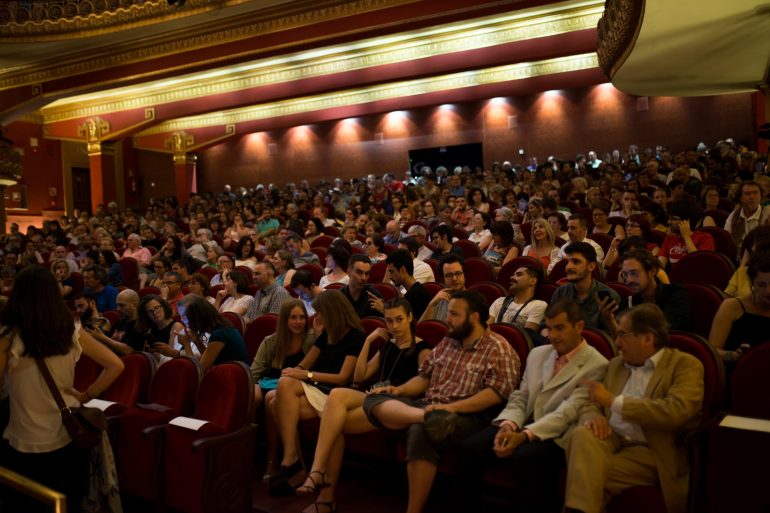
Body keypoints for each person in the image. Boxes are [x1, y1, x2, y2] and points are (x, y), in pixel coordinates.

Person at [363, 290, 520, 513]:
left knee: (420, 429)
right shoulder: (449, 341)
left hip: (466, 416)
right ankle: (425, 416)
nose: (447, 319)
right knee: (374, 398)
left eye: (454, 314)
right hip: (429, 407)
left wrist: (449, 408)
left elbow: (496, 394)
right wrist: (399, 390)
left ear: (473, 316)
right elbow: (424, 377)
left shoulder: (498, 347)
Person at [455, 299, 608, 513]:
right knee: (470, 448)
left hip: (558, 435)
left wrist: (525, 435)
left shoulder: (597, 364)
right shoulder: (538, 354)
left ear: (579, 326)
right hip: (523, 421)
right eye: (549, 328)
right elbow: (521, 396)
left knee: (526, 457)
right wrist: (508, 425)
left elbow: (568, 412)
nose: (553, 335)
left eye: (560, 328)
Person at [0, 266, 124, 513]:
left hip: (25, 438)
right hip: (68, 433)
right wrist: (86, 394)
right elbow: (116, 365)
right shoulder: (71, 329)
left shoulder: (9, 336)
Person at [563, 304, 704, 513]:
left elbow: (676, 411)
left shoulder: (685, 365)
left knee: (584, 473)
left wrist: (613, 402)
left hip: (651, 449)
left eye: (622, 335)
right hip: (610, 438)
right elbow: (591, 402)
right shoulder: (616, 364)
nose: (617, 343)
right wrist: (592, 416)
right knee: (582, 433)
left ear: (648, 338)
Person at [295, 299, 432, 513]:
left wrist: (394, 390)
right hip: (374, 395)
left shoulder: (422, 347)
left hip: (399, 402)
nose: (394, 326)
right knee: (338, 397)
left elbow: (422, 386)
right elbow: (360, 377)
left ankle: (324, 494)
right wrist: (369, 341)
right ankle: (319, 476)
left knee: (333, 425)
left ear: (410, 318)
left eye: (399, 320)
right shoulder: (389, 344)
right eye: (389, 321)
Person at [268, 291, 365, 492]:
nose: (317, 317)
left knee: (276, 404)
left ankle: (293, 462)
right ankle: (292, 458)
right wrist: (297, 372)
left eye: (321, 313)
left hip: (336, 392)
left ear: (333, 312)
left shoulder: (355, 335)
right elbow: (304, 366)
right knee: (283, 386)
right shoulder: (326, 335)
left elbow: (343, 377)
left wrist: (308, 375)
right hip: (317, 388)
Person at [251, 299, 316, 479]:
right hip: (269, 383)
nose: (298, 322)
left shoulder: (311, 338)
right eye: (293, 317)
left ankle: (273, 459)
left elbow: (317, 369)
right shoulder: (271, 341)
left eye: (302, 317)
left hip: (298, 388)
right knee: (259, 395)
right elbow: (254, 372)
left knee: (272, 396)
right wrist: (254, 387)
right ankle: (258, 455)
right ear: (284, 320)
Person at [709, 251, 770, 362]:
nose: (768, 291)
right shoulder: (732, 306)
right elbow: (712, 351)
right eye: (761, 285)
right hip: (740, 371)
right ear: (752, 283)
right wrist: (732, 355)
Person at [551, 242, 619, 333]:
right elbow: (550, 323)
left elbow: (618, 339)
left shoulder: (608, 296)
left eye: (576, 262)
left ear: (591, 266)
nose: (568, 267)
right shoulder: (560, 293)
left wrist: (609, 320)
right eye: (567, 262)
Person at [618, 249, 691, 331]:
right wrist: (610, 321)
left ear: (652, 271)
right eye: (625, 275)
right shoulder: (628, 302)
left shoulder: (676, 292)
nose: (629, 280)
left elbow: (665, 329)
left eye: (634, 273)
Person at [171, 296, 249, 372]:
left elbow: (197, 372)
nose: (182, 320)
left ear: (196, 316)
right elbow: (208, 359)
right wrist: (197, 341)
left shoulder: (221, 333)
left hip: (234, 378)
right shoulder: (219, 327)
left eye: (184, 316)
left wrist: (186, 344)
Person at [658, 197, 715, 268]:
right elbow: (659, 266)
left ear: (687, 221)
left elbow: (699, 264)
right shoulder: (669, 239)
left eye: (673, 219)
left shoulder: (705, 238)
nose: (668, 222)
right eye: (669, 218)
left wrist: (686, 237)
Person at [488, 264, 547, 331]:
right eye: (513, 275)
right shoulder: (499, 301)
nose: (512, 277)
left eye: (519, 275)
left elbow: (527, 337)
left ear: (532, 281)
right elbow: (486, 328)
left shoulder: (538, 305)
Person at [86, 289, 146, 355]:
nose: (118, 309)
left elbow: (128, 351)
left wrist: (103, 338)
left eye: (122, 305)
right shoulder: (120, 321)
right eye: (117, 305)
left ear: (134, 305)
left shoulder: (140, 325)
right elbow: (109, 342)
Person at [136, 295, 187, 360]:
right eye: (150, 311)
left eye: (157, 308)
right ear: (146, 315)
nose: (155, 312)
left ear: (163, 307)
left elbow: (172, 356)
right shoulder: (151, 330)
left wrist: (158, 355)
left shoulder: (176, 326)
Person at [724, 180, 770, 251]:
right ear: (740, 198)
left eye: (755, 193)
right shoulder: (734, 215)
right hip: (737, 256)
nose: (752, 196)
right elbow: (726, 239)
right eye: (747, 193)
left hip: (760, 257)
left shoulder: (767, 214)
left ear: (760, 196)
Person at [385, 249, 431, 319]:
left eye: (392, 272)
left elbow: (412, 326)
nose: (390, 277)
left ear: (403, 270)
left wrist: (382, 310)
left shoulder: (417, 294)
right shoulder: (412, 292)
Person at [419, 254, 466, 322]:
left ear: (464, 276)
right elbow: (421, 330)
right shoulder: (437, 302)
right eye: (449, 275)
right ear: (443, 280)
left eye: (458, 273)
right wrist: (431, 305)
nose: (454, 278)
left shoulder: (475, 302)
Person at [339, 254, 383, 318]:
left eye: (367, 273)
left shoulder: (374, 296)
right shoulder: (340, 296)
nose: (364, 278)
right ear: (348, 272)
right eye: (359, 272)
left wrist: (384, 310)